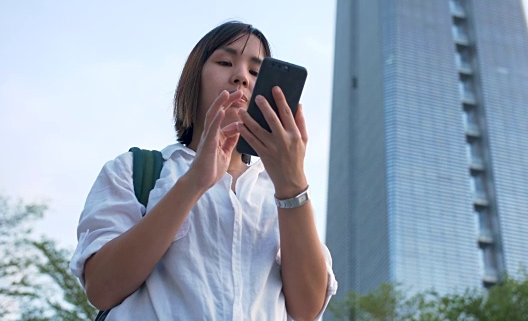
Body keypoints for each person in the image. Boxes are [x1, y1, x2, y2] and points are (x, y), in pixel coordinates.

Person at [70, 21, 337, 320]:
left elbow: (307, 309)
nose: (241, 78)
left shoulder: (279, 195)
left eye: (255, 72)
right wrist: (194, 181)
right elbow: (102, 287)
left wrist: (293, 185)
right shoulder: (133, 170)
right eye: (225, 62)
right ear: (193, 80)